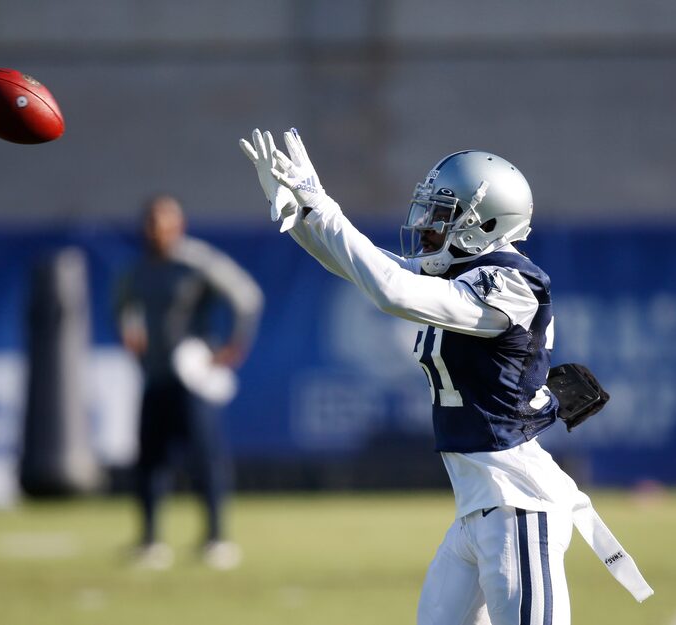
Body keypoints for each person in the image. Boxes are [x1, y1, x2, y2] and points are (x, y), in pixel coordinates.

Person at [240, 129, 653, 623]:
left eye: (443, 213)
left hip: (518, 506)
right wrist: (298, 212)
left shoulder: (511, 281)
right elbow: (364, 269)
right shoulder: (459, 272)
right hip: (476, 510)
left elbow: (392, 291)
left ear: (486, 222)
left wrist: (324, 205)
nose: (427, 226)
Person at [114, 194, 263, 570]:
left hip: (194, 376)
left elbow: (246, 297)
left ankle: (215, 538)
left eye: (161, 222)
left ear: (177, 226)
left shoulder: (195, 262)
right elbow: (121, 304)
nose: (154, 231)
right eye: (150, 222)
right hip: (155, 375)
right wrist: (128, 332)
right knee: (149, 461)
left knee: (205, 459)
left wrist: (233, 347)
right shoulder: (141, 268)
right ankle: (150, 541)